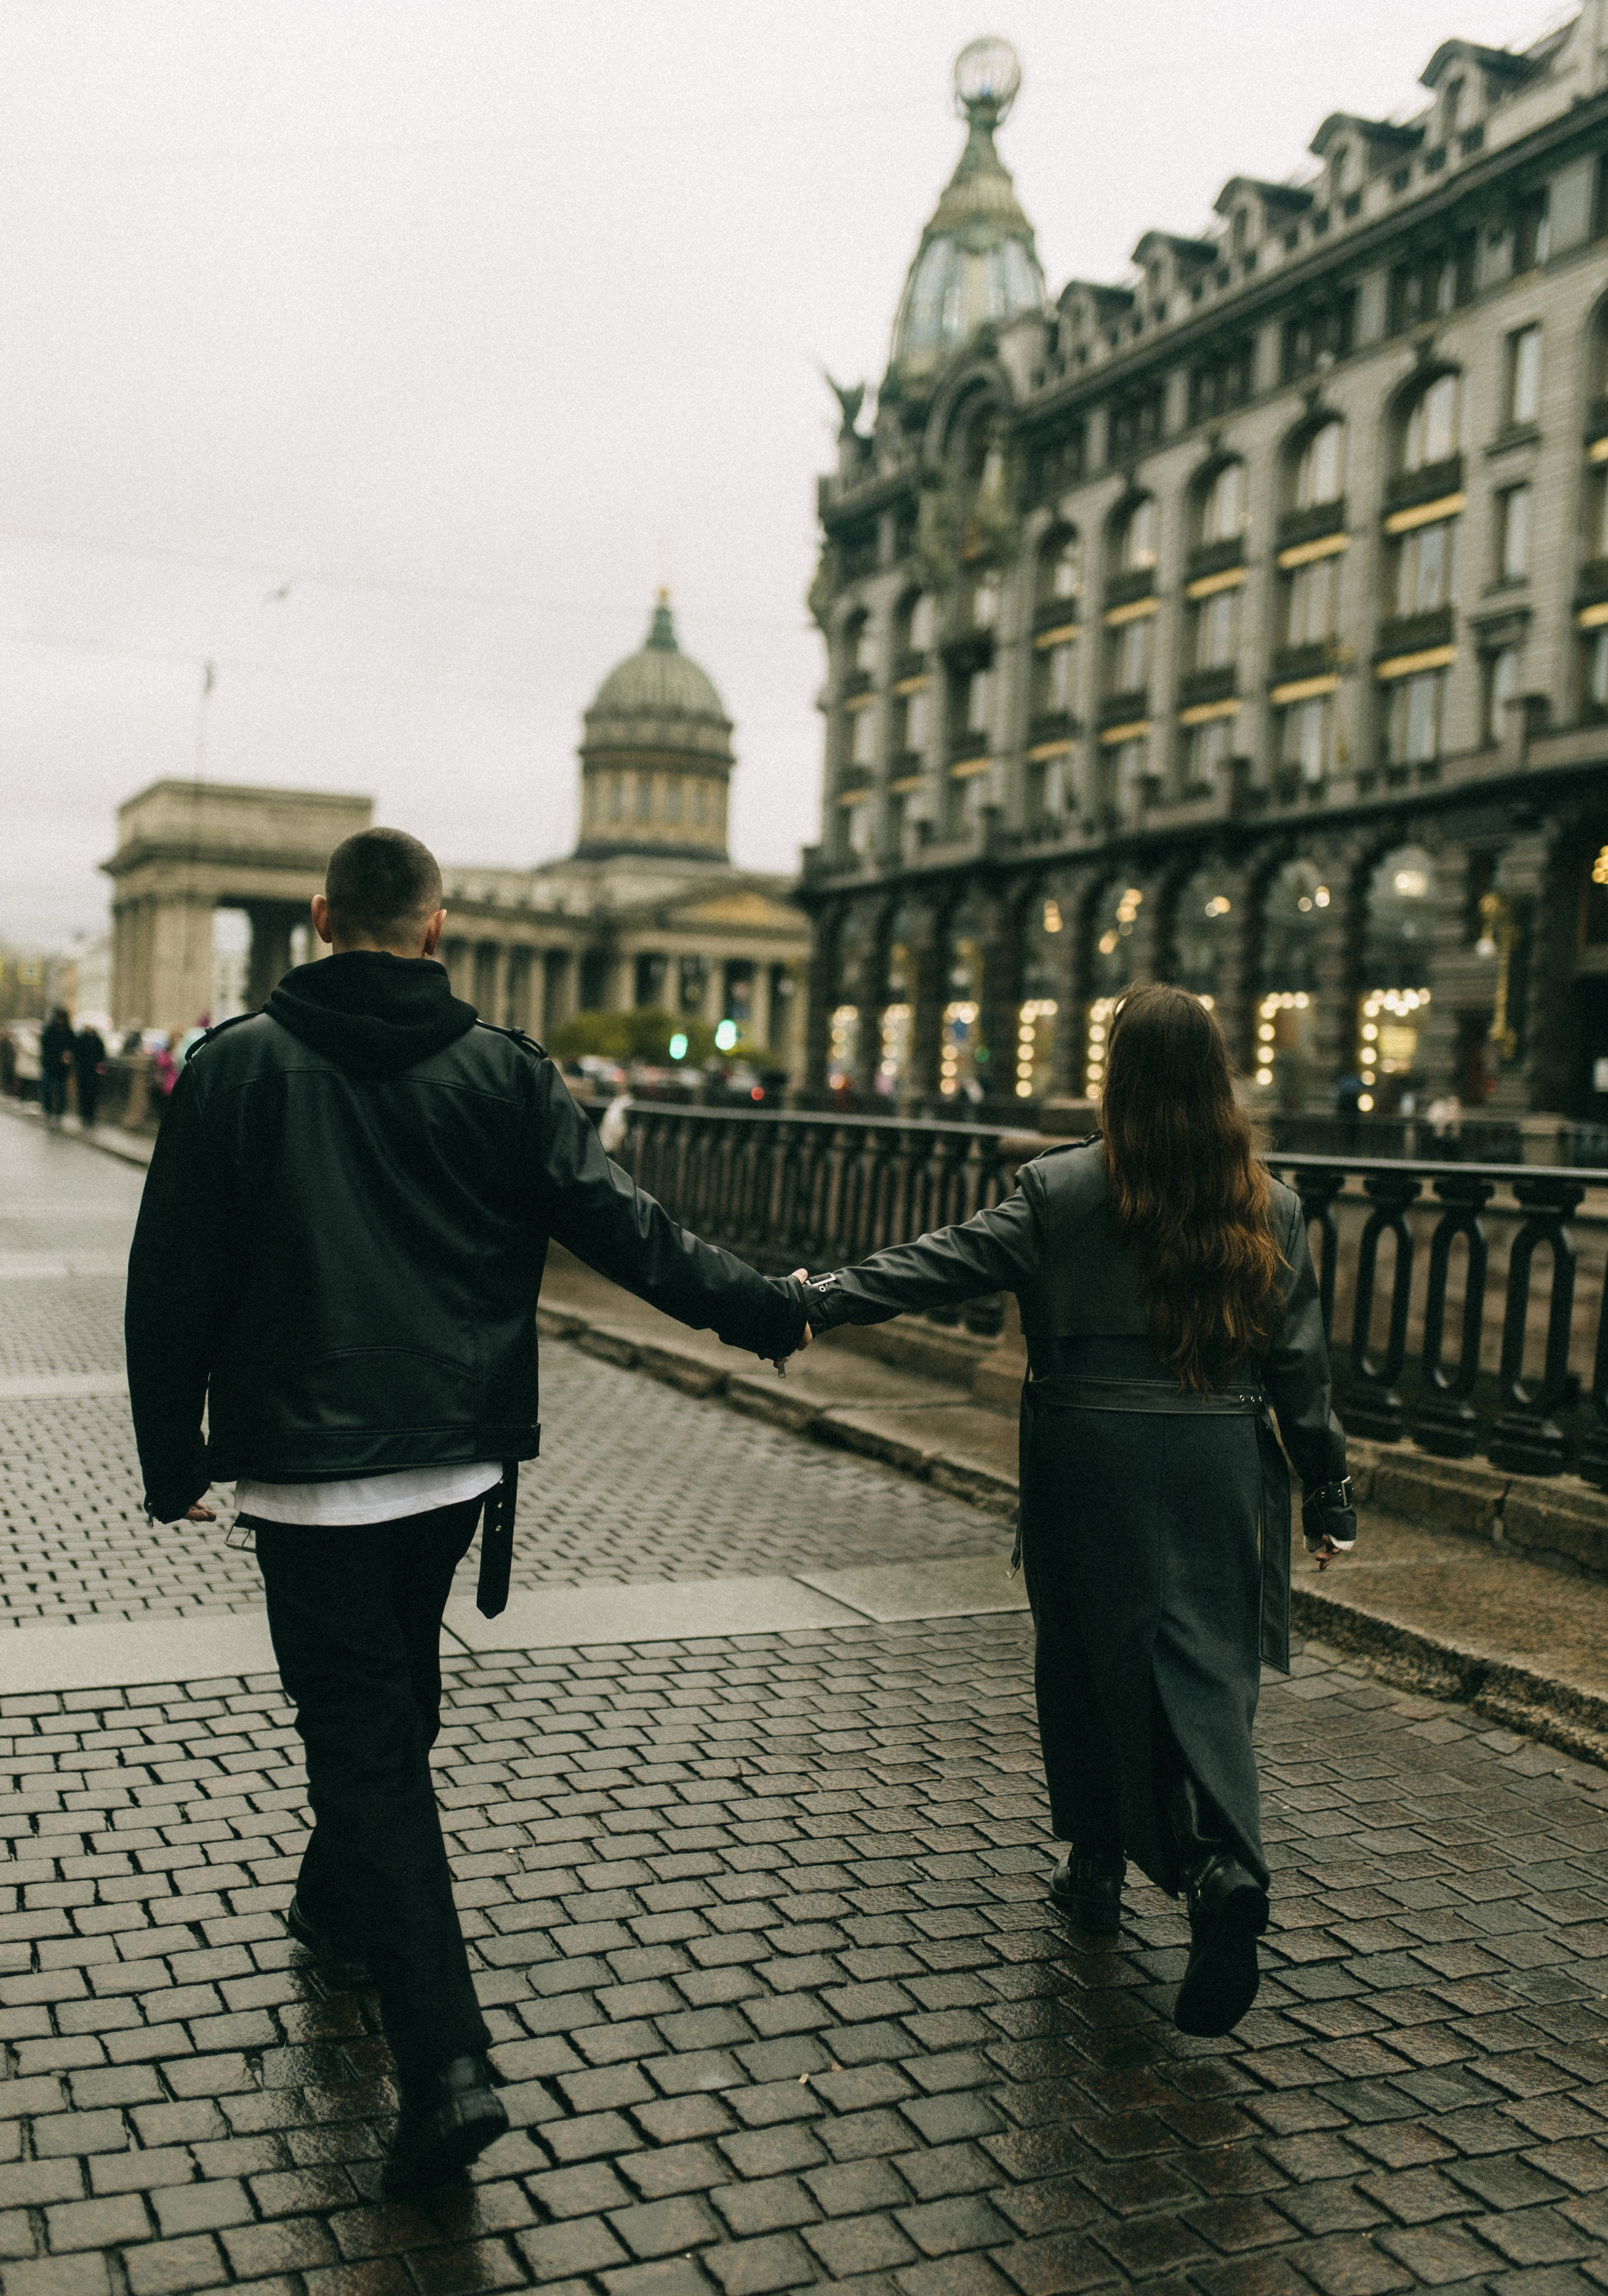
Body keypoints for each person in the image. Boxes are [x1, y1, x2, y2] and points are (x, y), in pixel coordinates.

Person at [125, 827, 807, 2193]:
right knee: (389, 1700)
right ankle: (335, 1901)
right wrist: (758, 1308)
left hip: (310, 1471)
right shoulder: (505, 1073)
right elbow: (627, 1228)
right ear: (436, 929)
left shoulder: (234, 1070)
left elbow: (172, 1278)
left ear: (319, 918)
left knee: (365, 1739)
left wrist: (173, 1455)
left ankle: (443, 2061)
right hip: (451, 1460)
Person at [795, 985, 1354, 2037]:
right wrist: (1328, 1491)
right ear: (1219, 1081)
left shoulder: (1060, 1190)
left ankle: (1097, 1869)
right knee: (1206, 1670)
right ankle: (1218, 1859)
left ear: (1116, 1079)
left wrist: (815, 1299)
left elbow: (940, 1264)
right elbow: (1301, 1367)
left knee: (1092, 1664)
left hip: (1087, 1455)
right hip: (1220, 1460)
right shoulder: (1271, 1206)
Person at [38, 1005, 74, 1124]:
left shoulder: (68, 1032)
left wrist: (68, 1054)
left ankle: (59, 1112)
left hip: (62, 1067)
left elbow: (73, 1047)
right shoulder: (50, 1030)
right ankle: (49, 1110)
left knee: (61, 1090)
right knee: (47, 1089)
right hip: (49, 1065)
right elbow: (44, 1045)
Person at [72, 1023, 106, 1127]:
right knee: (84, 1094)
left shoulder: (96, 1041)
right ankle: (85, 1115)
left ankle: (89, 1115)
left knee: (91, 1095)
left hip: (91, 1072)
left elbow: (102, 1057)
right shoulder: (83, 1040)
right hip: (85, 1072)